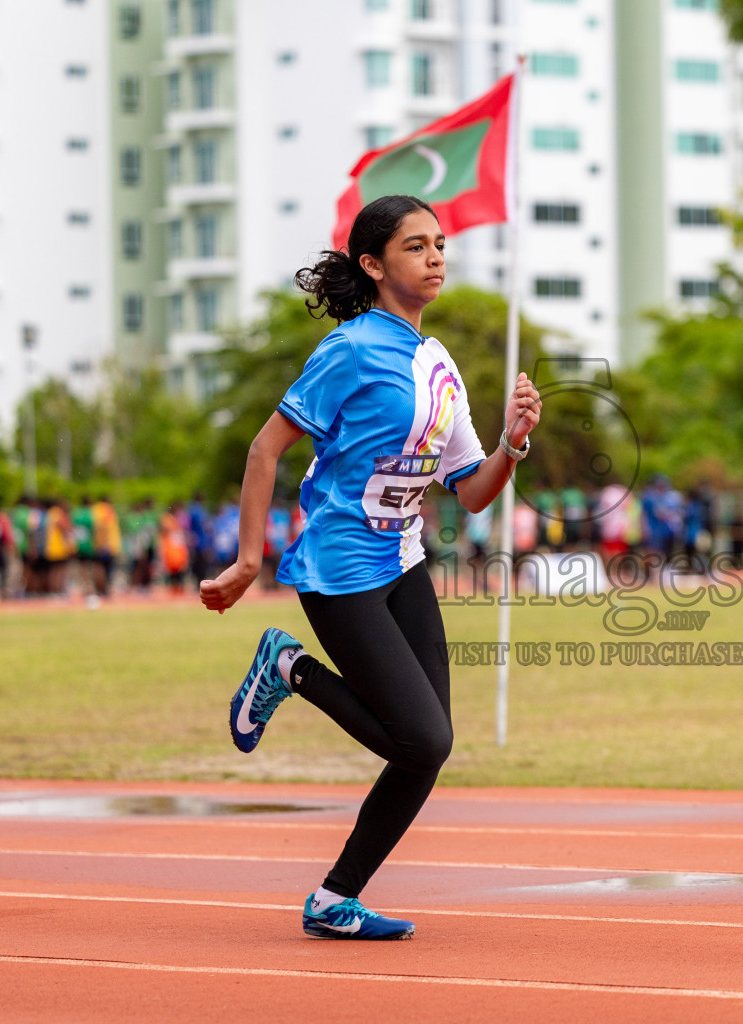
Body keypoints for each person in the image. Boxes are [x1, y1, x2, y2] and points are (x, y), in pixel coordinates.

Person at [199, 195, 541, 942]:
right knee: (422, 740)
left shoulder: (439, 362)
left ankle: (333, 899)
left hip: (403, 562)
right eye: (416, 246)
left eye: (440, 244)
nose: (436, 257)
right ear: (373, 264)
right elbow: (265, 451)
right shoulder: (349, 351)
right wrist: (247, 559)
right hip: (339, 570)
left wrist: (515, 442)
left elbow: (473, 493)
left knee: (428, 748)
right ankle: (287, 666)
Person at [91, 494, 121, 598]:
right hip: (107, 545)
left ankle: (101, 589)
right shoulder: (105, 509)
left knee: (101, 568)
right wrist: (104, 543)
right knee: (105, 569)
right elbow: (103, 526)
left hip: (100, 543)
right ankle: (103, 589)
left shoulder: (95, 509)